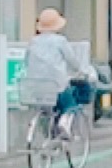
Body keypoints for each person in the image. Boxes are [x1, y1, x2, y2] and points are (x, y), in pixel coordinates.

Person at [21, 8, 90, 138]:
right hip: (56, 84)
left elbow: (26, 60)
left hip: (35, 85)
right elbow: (72, 60)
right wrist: (81, 70)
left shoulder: (33, 41)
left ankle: (47, 134)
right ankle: (64, 123)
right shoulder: (60, 41)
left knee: (45, 107)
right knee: (70, 103)